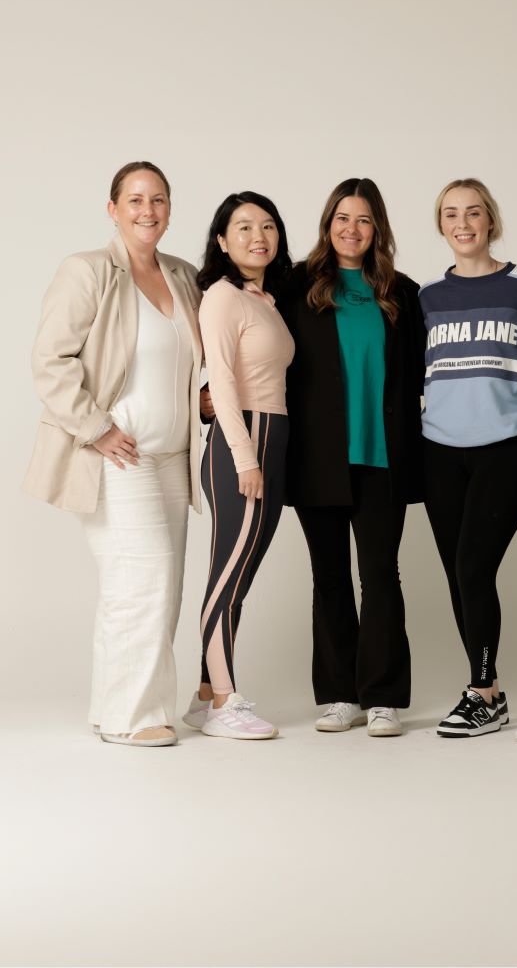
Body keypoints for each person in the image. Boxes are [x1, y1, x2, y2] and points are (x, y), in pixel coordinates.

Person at [24, 161, 204, 747]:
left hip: (173, 456)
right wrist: (96, 428)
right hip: (115, 456)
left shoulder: (183, 275)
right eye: (134, 200)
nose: (147, 210)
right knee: (142, 580)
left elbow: (191, 361)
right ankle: (135, 718)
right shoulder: (88, 271)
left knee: (155, 585)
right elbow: (51, 361)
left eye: (157, 199)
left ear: (170, 209)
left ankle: (112, 706)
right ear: (112, 209)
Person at [279, 178, 424, 737]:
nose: (351, 229)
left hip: (384, 458)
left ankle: (382, 696)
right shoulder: (297, 286)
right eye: (343, 218)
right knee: (330, 576)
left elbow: (417, 376)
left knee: (381, 575)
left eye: (363, 220)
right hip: (317, 458)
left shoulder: (401, 293)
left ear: (377, 228)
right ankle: (340, 693)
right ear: (328, 223)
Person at [420, 179, 517, 738]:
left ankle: (484, 692)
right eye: (451, 214)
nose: (462, 223)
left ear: (490, 220)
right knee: (458, 574)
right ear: (440, 224)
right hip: (440, 452)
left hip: (507, 448)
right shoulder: (427, 298)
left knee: (473, 566)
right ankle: (485, 689)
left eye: (473, 213)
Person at [182, 192, 294, 740]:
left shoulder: (263, 299)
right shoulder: (222, 297)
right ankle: (226, 702)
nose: (259, 236)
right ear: (222, 241)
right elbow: (221, 382)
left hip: (272, 438)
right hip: (243, 441)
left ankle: (205, 696)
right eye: (244, 227)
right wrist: (244, 458)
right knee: (228, 575)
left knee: (236, 573)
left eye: (268, 226)